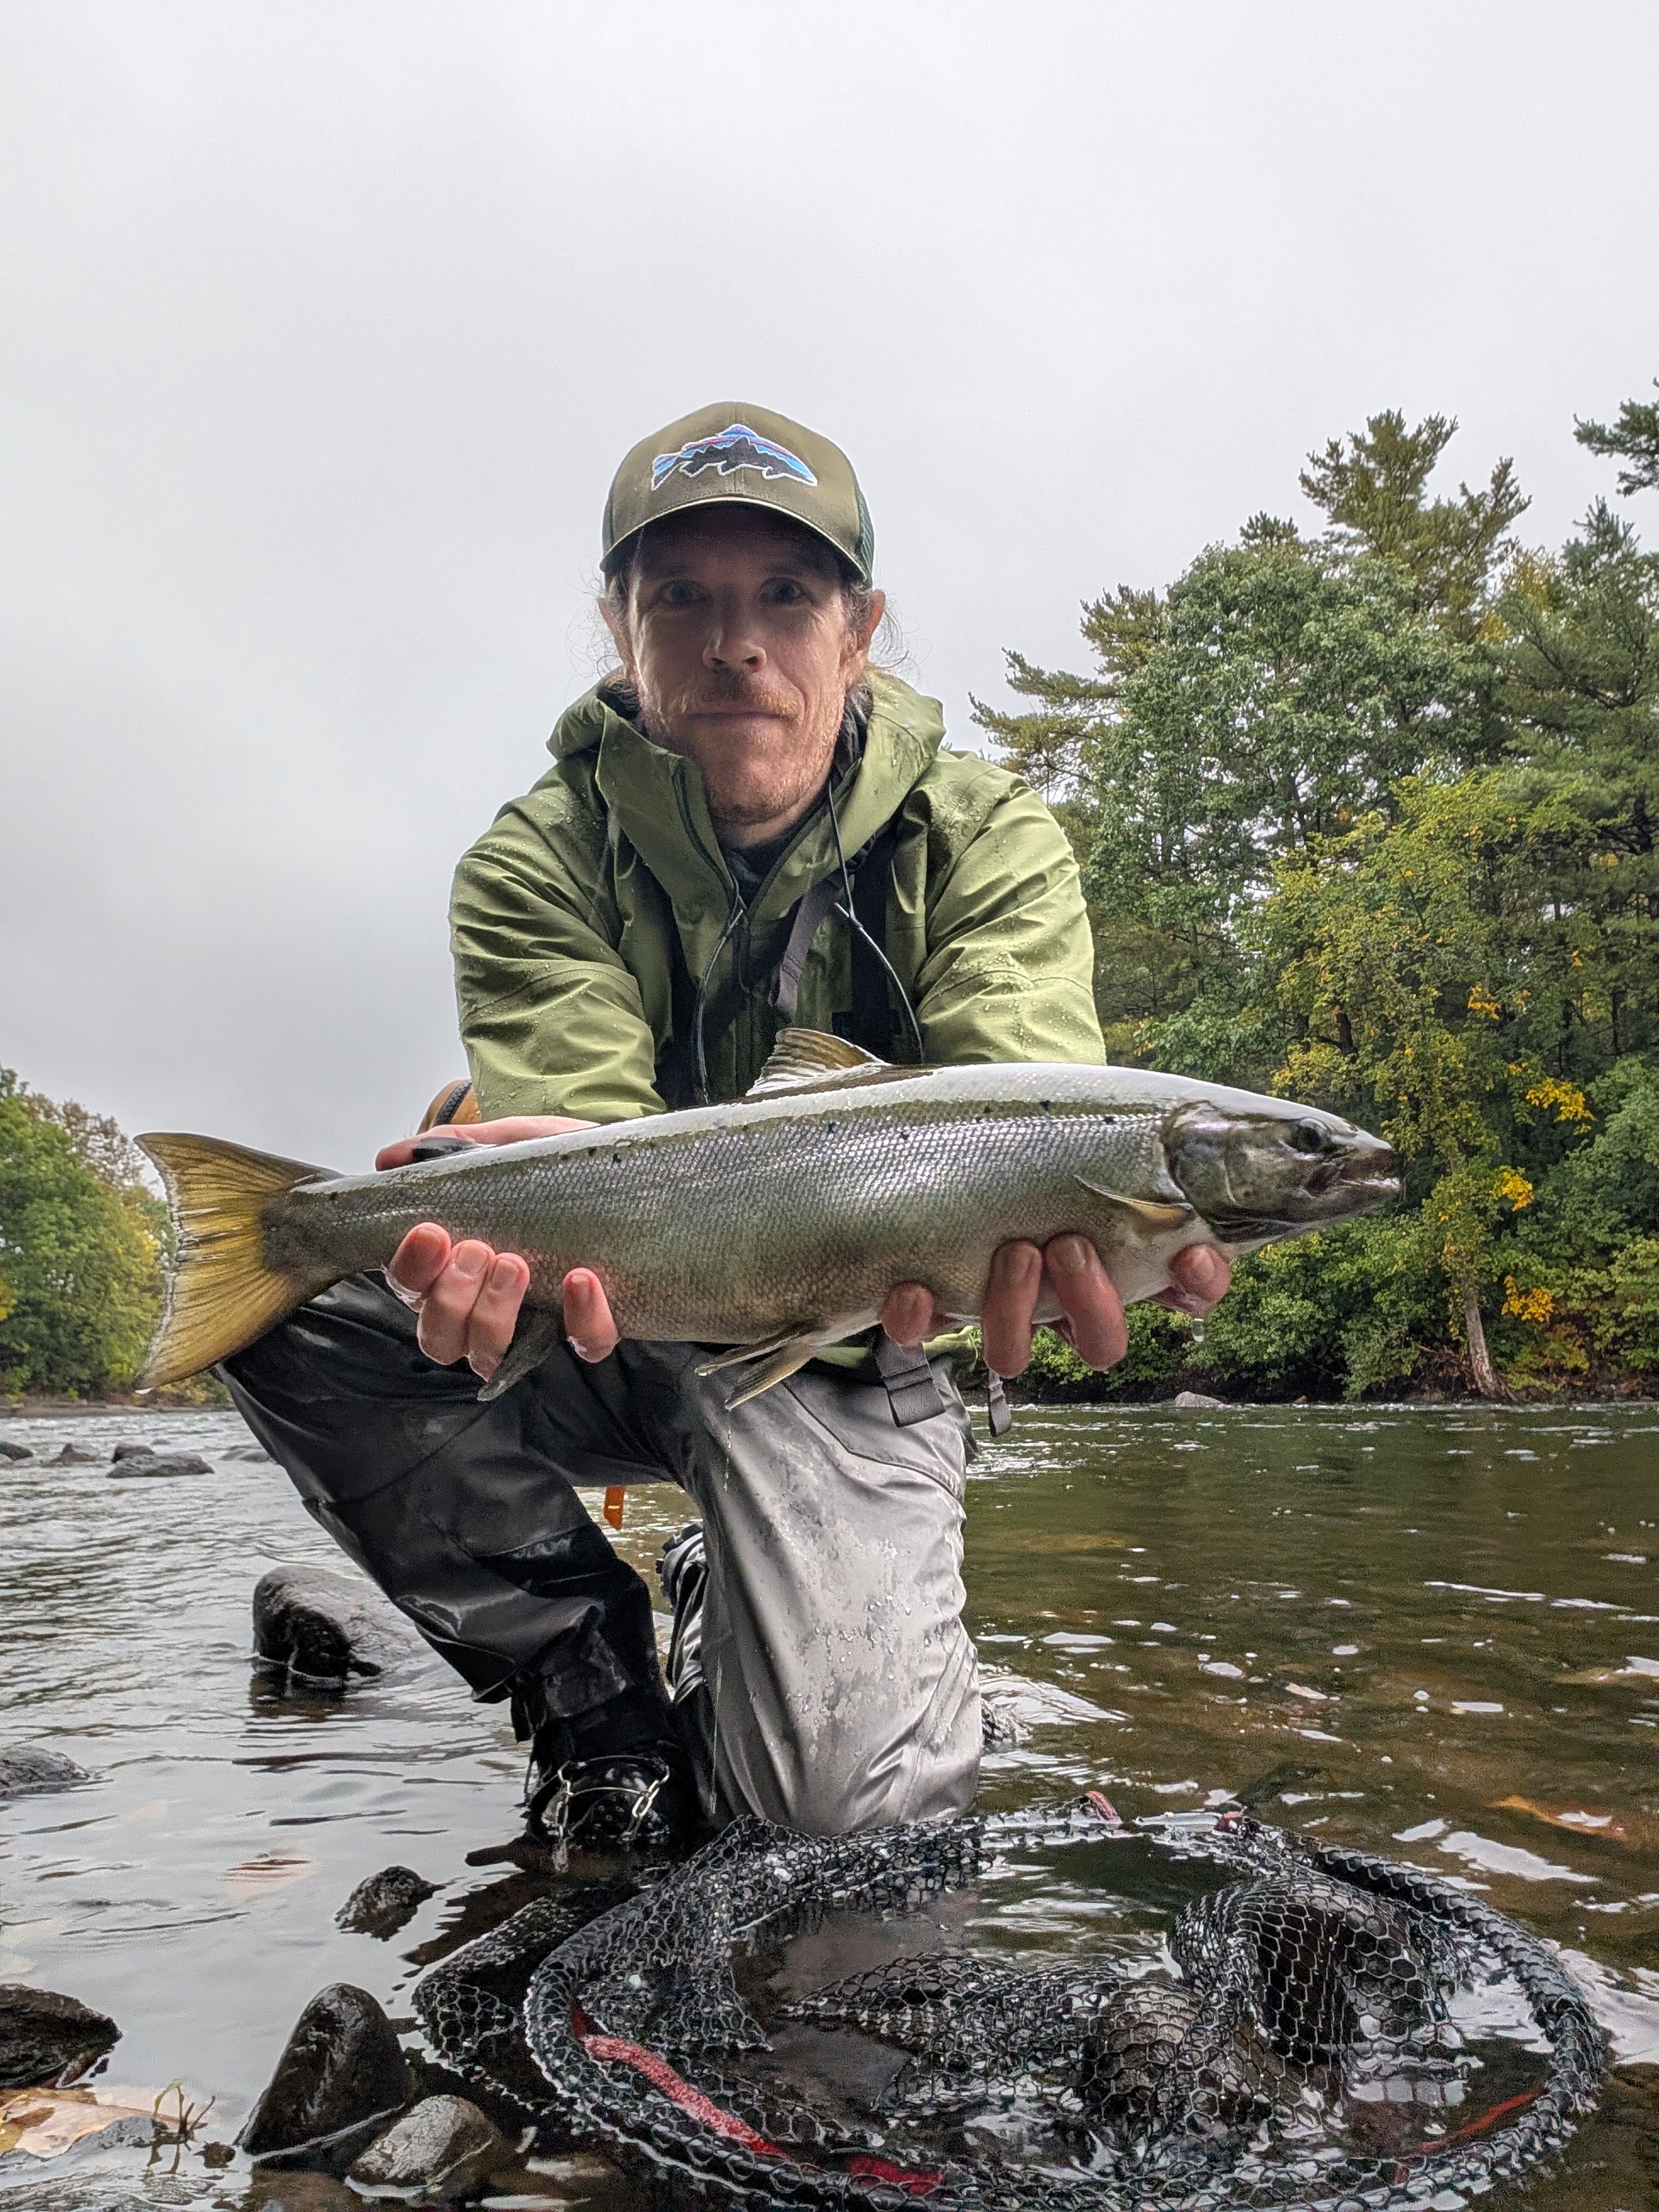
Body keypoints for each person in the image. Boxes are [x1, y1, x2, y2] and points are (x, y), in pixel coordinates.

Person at [221, 403, 1230, 1851]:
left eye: (785, 597)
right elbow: (591, 1143)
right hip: (606, 1310)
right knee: (292, 1299)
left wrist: (1077, 1242)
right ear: (619, 629)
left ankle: (727, 1580)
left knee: (841, 1835)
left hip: (841, 1356)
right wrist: (486, 1172)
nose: (731, 641)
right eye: (679, 597)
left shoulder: (983, 835)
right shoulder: (533, 858)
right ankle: (586, 1690)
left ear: (861, 628)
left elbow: (1023, 1104)